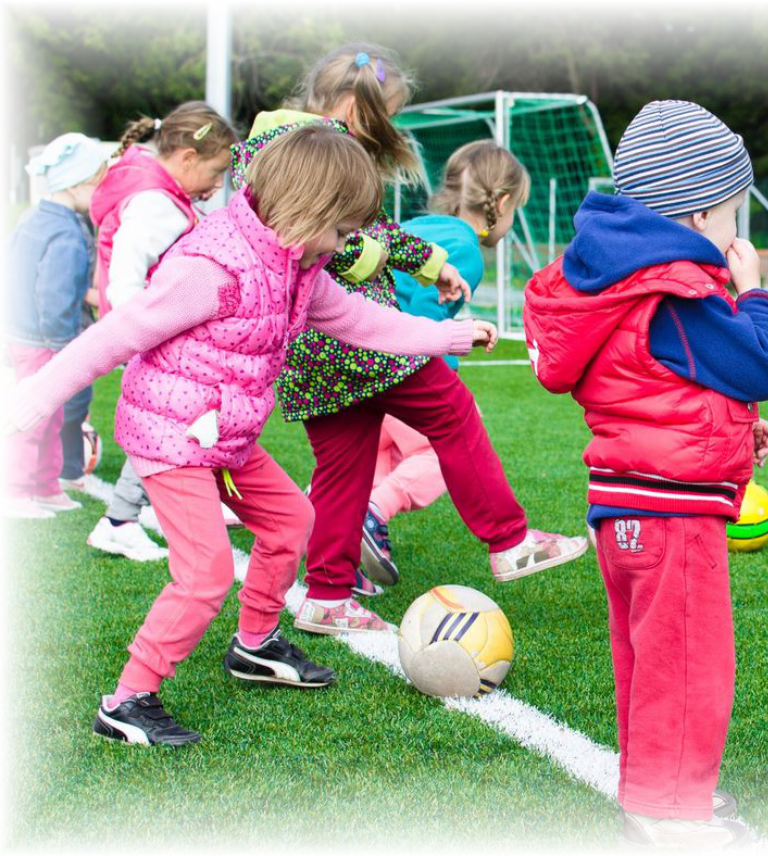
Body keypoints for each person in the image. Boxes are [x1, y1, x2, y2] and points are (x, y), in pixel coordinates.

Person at [1, 125, 497, 747]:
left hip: (226, 437)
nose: (348, 245)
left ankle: (256, 646)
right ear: (308, 211)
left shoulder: (298, 264)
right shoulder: (212, 268)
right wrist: (34, 397)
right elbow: (118, 333)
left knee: (294, 521)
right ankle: (126, 700)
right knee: (206, 573)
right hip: (172, 437)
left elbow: (359, 320)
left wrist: (447, 336)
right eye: (343, 231)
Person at [232, 43, 586, 636]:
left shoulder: (274, 142)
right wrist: (385, 266)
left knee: (345, 466)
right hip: (355, 337)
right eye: (384, 114)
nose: (386, 129)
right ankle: (509, 540)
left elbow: (370, 229)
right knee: (452, 411)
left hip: (309, 349)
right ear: (352, 103)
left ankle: (325, 595)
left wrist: (432, 265)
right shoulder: (312, 149)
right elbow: (332, 242)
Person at [523, 101, 768, 852]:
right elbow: (758, 363)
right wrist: (755, 293)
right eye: (734, 212)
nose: (737, 232)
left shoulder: (619, 281)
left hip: (627, 504)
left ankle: (659, 783)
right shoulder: (675, 289)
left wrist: (736, 431)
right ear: (700, 210)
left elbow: (656, 384)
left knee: (648, 659)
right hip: (670, 515)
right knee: (687, 662)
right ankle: (667, 810)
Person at [358, 140, 531, 589]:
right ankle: (374, 513)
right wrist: (443, 377)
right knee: (440, 449)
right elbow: (423, 318)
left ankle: (333, 530)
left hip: (355, 360)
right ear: (503, 203)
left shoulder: (419, 226)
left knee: (374, 456)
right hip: (394, 365)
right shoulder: (467, 251)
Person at [86, 101, 237, 562]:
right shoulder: (157, 205)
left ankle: (134, 513)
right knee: (168, 425)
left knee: (174, 422)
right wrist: (144, 334)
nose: (216, 188)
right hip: (153, 338)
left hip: (154, 335)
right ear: (187, 159)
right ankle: (119, 519)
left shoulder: (160, 194)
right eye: (215, 173)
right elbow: (127, 279)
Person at [0, 133, 108, 519]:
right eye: (99, 182)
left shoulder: (32, 220)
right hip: (44, 340)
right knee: (32, 415)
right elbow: (56, 293)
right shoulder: (66, 232)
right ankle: (13, 490)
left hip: (24, 334)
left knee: (53, 414)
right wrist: (63, 344)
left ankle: (45, 485)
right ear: (77, 184)